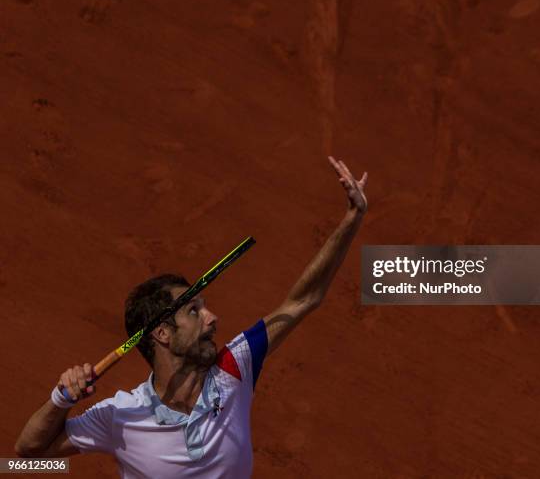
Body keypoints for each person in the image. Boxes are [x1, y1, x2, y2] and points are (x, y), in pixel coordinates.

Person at [15, 156, 368, 478]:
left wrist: (352, 219)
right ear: (163, 334)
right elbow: (26, 457)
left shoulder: (233, 369)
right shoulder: (120, 416)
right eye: (194, 311)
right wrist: (62, 399)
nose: (212, 318)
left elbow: (303, 300)